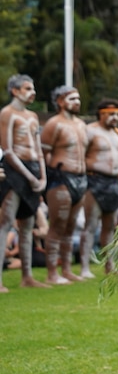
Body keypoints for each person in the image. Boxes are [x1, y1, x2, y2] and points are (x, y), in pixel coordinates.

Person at [0, 74, 49, 291]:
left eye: (33, 88)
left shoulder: (33, 117)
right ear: (15, 91)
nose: (32, 92)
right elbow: (8, 150)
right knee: (6, 222)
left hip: (33, 168)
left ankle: (27, 276)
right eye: (27, 88)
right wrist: (29, 177)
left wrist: (42, 176)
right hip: (14, 171)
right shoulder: (7, 113)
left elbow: (38, 148)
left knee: (28, 224)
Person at [41, 85, 89, 284]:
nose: (76, 102)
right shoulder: (54, 124)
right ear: (60, 101)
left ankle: (67, 269)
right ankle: (52, 273)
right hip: (60, 178)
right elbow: (43, 154)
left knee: (71, 227)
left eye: (78, 98)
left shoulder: (81, 124)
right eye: (72, 99)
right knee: (57, 226)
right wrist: (45, 180)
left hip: (81, 178)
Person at [80, 99, 118, 277]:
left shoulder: (117, 134)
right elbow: (79, 156)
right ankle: (84, 268)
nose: (115, 117)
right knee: (90, 225)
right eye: (111, 114)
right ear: (101, 114)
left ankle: (110, 265)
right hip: (94, 180)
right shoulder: (90, 131)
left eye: (117, 114)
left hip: (114, 182)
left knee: (110, 226)